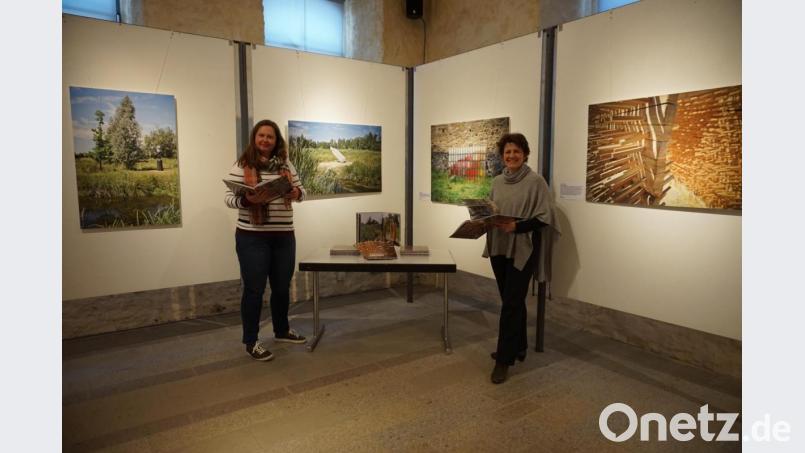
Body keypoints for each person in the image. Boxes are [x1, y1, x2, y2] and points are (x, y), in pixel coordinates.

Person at [225, 119, 307, 361]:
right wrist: (246, 200)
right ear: (254, 138)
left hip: (284, 237)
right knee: (254, 290)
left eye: (270, 137)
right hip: (252, 238)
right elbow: (229, 198)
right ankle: (251, 341)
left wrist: (296, 193)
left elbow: (303, 192)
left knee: (282, 287)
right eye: (261, 136)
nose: (265, 140)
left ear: (276, 140)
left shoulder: (286, 164)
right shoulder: (242, 164)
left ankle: (281, 330)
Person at [483, 132, 557, 384]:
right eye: (507, 152)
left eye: (516, 151)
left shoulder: (536, 182)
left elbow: (544, 217)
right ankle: (520, 345)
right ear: (502, 156)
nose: (511, 156)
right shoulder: (497, 182)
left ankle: (503, 360)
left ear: (525, 154)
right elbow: (491, 211)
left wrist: (517, 227)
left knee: (511, 304)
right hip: (499, 247)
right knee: (510, 300)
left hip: (523, 248)